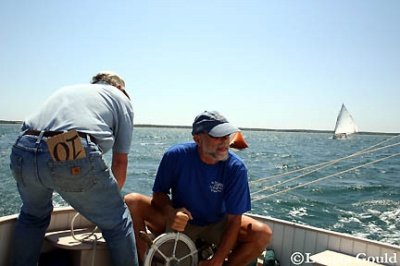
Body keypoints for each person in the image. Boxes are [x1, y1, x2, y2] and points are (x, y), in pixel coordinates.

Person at [10, 71, 138, 266]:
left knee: (32, 216)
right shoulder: (121, 97)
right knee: (118, 222)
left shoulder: (70, 90)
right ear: (120, 87)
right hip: (70, 147)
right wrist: (108, 204)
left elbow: (31, 130)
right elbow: (120, 161)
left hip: (24, 146)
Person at [125, 111, 272, 265]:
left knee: (262, 234)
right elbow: (159, 194)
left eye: (227, 135)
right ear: (197, 139)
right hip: (180, 222)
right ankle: (143, 261)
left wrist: (219, 259)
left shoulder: (236, 168)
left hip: (217, 224)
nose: (224, 141)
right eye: (217, 136)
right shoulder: (175, 155)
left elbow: (235, 219)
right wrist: (172, 213)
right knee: (132, 201)